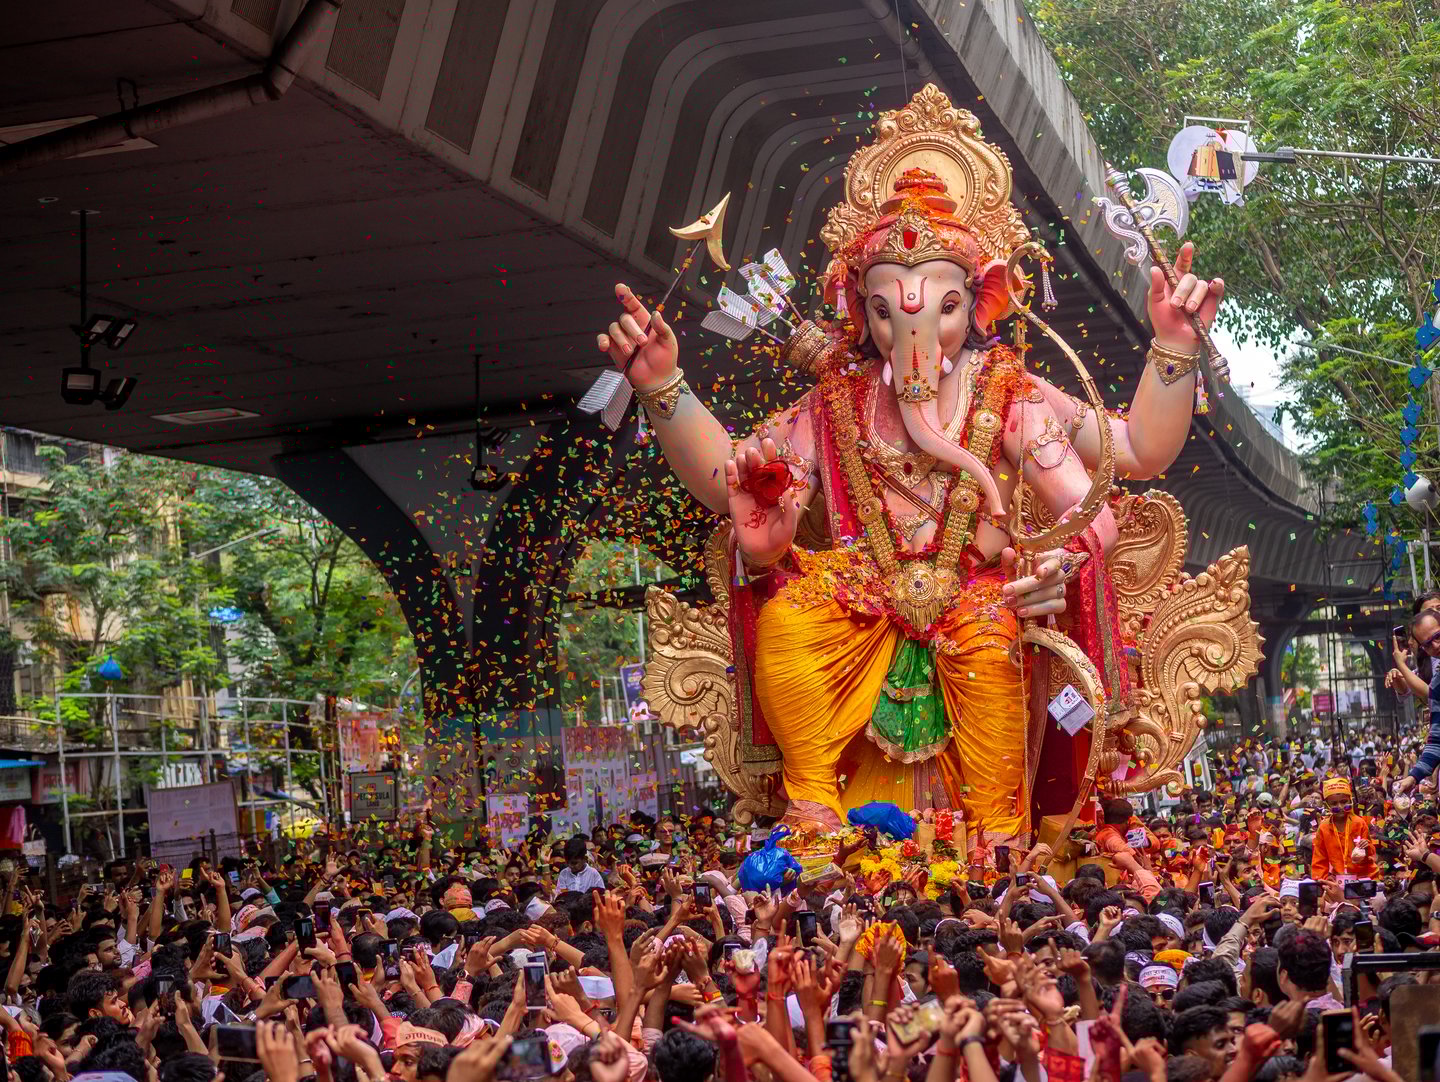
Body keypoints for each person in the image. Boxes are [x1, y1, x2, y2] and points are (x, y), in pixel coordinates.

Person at [1311, 777, 1377, 881]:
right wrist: (1322, 880)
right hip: (1338, 881)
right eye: (1334, 804)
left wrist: (1367, 846)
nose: (1340, 806)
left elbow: (1371, 852)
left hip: (1365, 877)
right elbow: (1319, 860)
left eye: (1344, 802)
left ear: (1351, 800)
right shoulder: (1323, 828)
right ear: (1326, 805)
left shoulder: (1359, 823)